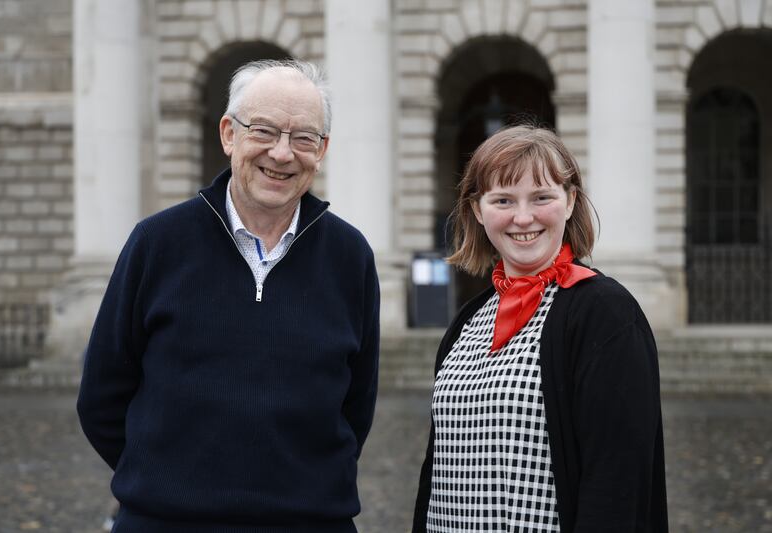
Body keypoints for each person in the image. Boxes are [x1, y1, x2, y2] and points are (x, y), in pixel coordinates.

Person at [77, 59, 380, 532]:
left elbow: (356, 404)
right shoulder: (157, 243)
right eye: (263, 130)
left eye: (303, 138)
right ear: (228, 134)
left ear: (321, 150)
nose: (282, 154)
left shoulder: (351, 255)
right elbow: (102, 396)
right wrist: (167, 485)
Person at [412, 125, 667, 532]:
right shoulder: (469, 319)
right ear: (478, 211)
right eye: (503, 200)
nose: (523, 217)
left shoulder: (605, 313)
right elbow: (437, 471)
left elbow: (618, 481)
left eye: (542, 197)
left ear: (570, 202)